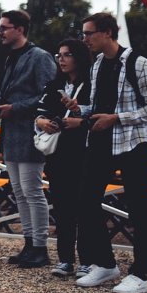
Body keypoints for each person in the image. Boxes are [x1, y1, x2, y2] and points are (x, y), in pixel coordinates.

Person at [68, 12, 147, 293]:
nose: (84, 39)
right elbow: (99, 106)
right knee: (86, 201)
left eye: (89, 33)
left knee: (137, 207)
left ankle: (140, 274)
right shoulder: (98, 64)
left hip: (135, 143)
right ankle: (106, 264)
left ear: (108, 33)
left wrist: (117, 118)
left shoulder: (140, 63)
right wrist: (80, 110)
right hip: (101, 142)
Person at [0, 9, 58, 269]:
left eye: (4, 27)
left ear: (19, 29)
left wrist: (14, 108)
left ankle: (40, 247)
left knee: (32, 191)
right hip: (12, 133)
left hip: (31, 133)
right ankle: (29, 243)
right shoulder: (11, 57)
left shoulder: (39, 57)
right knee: (20, 192)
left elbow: (49, 95)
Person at [34, 38, 92, 278]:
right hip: (58, 153)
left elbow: (98, 112)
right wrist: (42, 122)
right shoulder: (54, 85)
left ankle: (88, 260)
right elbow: (39, 113)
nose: (61, 59)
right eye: (59, 55)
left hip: (83, 151)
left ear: (79, 56)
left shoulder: (91, 83)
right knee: (62, 207)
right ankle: (66, 259)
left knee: (84, 207)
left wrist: (79, 118)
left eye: (67, 55)